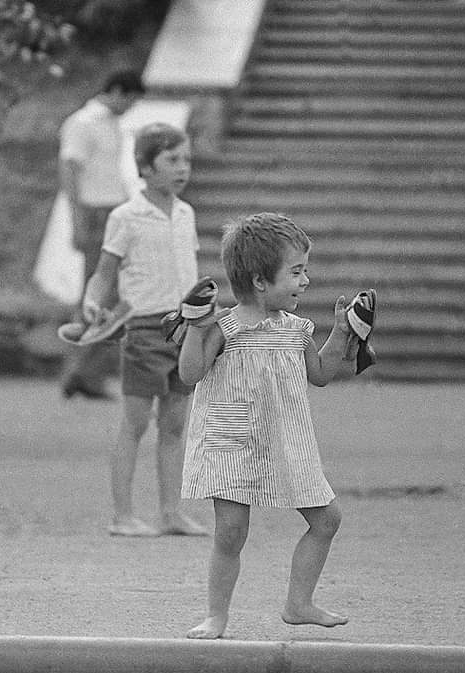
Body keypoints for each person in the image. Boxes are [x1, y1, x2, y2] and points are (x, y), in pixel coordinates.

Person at [177, 212, 361, 639]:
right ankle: (216, 616)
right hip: (231, 442)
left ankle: (299, 604)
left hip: (287, 441)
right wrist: (193, 326)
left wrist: (342, 332)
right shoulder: (224, 327)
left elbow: (320, 373)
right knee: (231, 530)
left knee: (327, 519)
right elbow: (190, 375)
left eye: (305, 271)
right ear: (261, 281)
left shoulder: (296, 329)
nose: (305, 281)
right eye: (296, 272)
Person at [81, 122, 208, 538]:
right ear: (145, 167)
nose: (182, 168)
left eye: (186, 160)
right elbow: (103, 273)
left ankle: (172, 513)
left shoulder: (187, 214)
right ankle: (123, 515)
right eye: (171, 160)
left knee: (174, 426)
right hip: (143, 330)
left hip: (185, 329)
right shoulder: (126, 216)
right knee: (135, 423)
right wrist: (93, 302)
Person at [58, 70, 145, 400]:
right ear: (117, 91)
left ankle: (85, 372)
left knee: (112, 295)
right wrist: (77, 219)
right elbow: (70, 170)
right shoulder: (83, 123)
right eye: (131, 100)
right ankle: (80, 372)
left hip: (113, 210)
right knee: (99, 292)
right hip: (95, 212)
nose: (130, 108)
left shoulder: (109, 123)